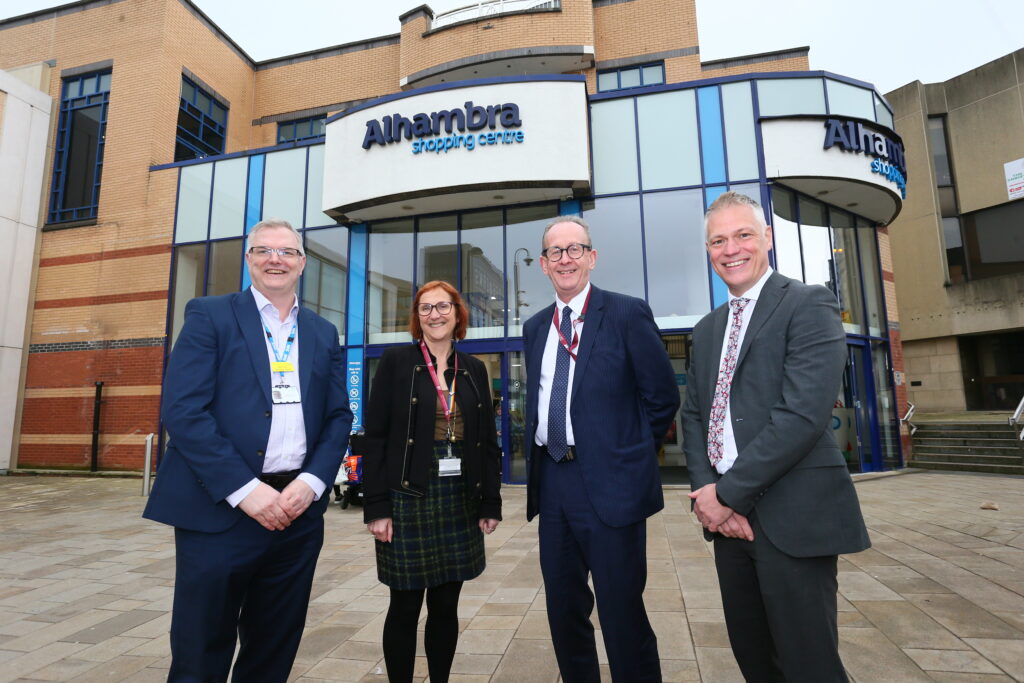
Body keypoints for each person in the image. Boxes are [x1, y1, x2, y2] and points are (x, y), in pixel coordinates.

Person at [143, 218, 352, 681]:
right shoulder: (210, 315)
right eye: (263, 250)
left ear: (302, 263)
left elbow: (339, 416)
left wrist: (313, 483)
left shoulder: (322, 332)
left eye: (286, 252)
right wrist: (245, 490)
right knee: (200, 654)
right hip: (221, 511)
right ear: (249, 259)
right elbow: (184, 411)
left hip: (296, 516)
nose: (275, 259)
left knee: (272, 652)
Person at [682, 192, 870, 682]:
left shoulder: (808, 304)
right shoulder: (706, 330)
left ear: (766, 237)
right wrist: (709, 497)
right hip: (729, 527)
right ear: (708, 251)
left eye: (743, 234)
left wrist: (725, 494)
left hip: (793, 518)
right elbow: (696, 416)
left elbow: (801, 416)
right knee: (755, 660)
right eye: (718, 240)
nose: (731, 249)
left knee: (808, 666)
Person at [523, 216, 679, 682]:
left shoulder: (627, 313)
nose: (566, 259)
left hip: (611, 488)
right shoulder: (535, 328)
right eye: (556, 252)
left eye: (576, 249)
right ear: (544, 266)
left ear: (592, 258)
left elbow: (662, 398)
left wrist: (625, 457)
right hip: (553, 484)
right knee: (564, 611)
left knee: (621, 614)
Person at [362, 280, 502, 683]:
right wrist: (376, 507)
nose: (435, 315)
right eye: (425, 308)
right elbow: (375, 438)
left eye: (443, 307)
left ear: (458, 314)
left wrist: (490, 502)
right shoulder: (395, 362)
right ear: (416, 317)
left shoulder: (474, 369)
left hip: (459, 496)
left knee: (446, 605)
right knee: (404, 606)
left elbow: (488, 443)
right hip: (407, 494)